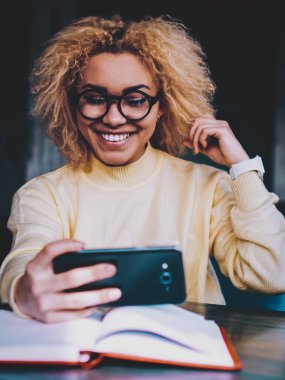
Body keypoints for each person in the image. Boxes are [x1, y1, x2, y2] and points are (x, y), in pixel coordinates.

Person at [0, 14, 284, 323]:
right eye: (94, 98)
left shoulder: (207, 186)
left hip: (188, 362)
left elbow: (272, 273)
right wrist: (23, 290)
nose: (113, 118)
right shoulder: (42, 194)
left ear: (162, 106)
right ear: (72, 104)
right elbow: (24, 261)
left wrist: (242, 167)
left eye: (135, 100)